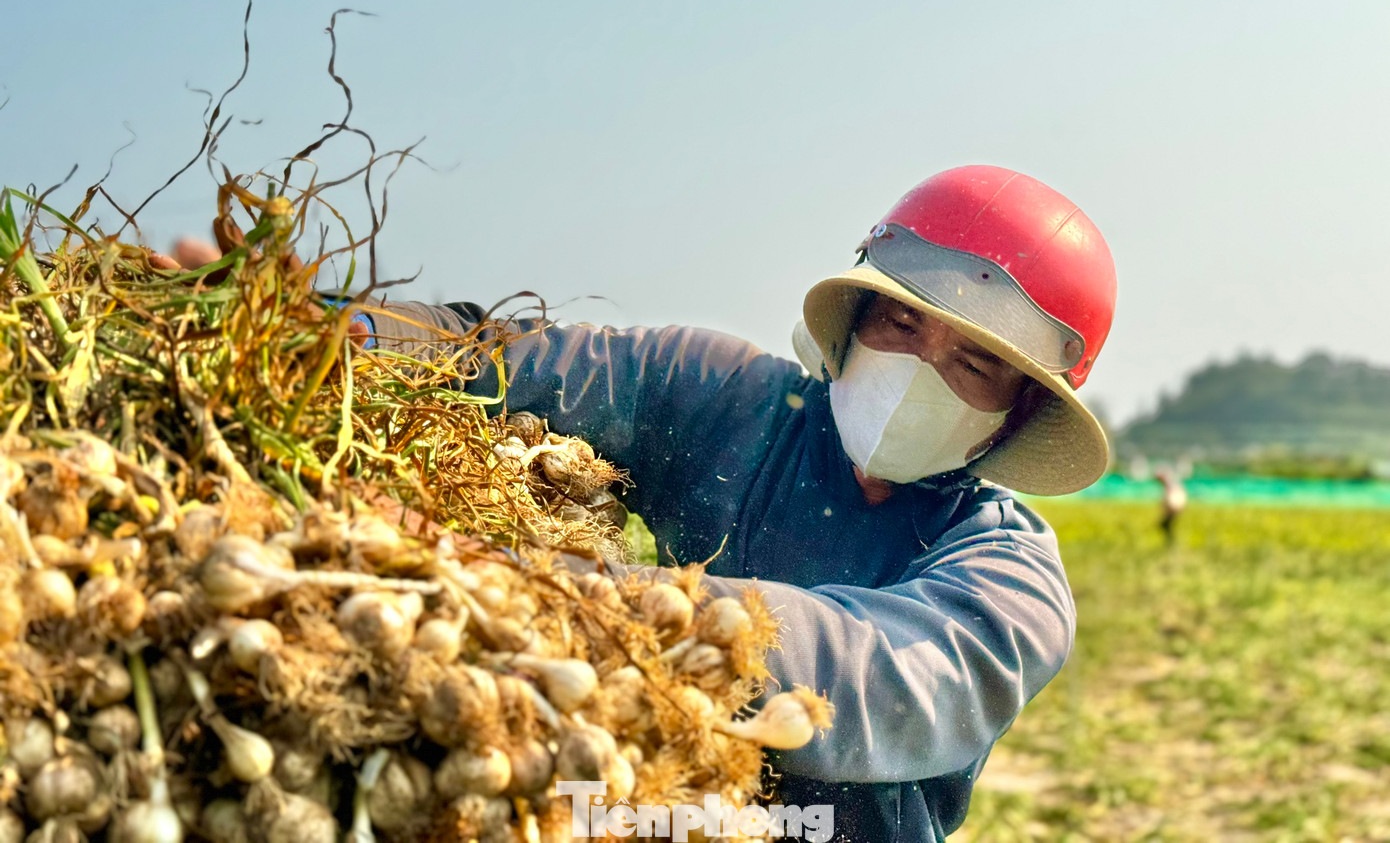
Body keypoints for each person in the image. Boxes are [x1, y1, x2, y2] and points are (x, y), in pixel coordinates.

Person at [167, 164, 1118, 841]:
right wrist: (315, 329)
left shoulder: (1010, 583)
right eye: (901, 322)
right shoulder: (722, 398)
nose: (920, 370)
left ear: (1023, 411)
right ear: (854, 320)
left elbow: (864, 675)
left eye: (976, 363)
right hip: (621, 808)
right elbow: (492, 358)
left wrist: (553, 590)